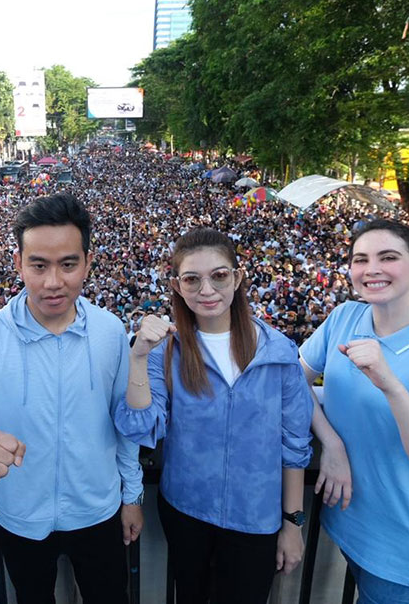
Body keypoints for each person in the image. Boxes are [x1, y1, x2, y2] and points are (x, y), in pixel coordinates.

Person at [0, 192, 144, 604]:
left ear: (87, 261)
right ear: (18, 263)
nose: (53, 282)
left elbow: (126, 423)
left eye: (68, 264)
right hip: (19, 517)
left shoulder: (110, 332)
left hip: (98, 511)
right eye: (39, 265)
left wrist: (132, 496)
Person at [116, 228, 313, 602]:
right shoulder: (165, 353)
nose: (207, 290)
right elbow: (140, 425)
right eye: (193, 279)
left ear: (238, 278)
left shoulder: (279, 352)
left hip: (255, 519)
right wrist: (138, 356)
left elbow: (294, 444)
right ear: (177, 286)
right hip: (186, 512)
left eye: (219, 276)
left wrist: (292, 523)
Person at [299, 219, 409, 603]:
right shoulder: (344, 317)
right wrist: (332, 444)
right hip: (345, 518)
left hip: (401, 544)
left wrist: (390, 383)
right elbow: (294, 379)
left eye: (388, 257)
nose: (372, 269)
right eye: (360, 259)